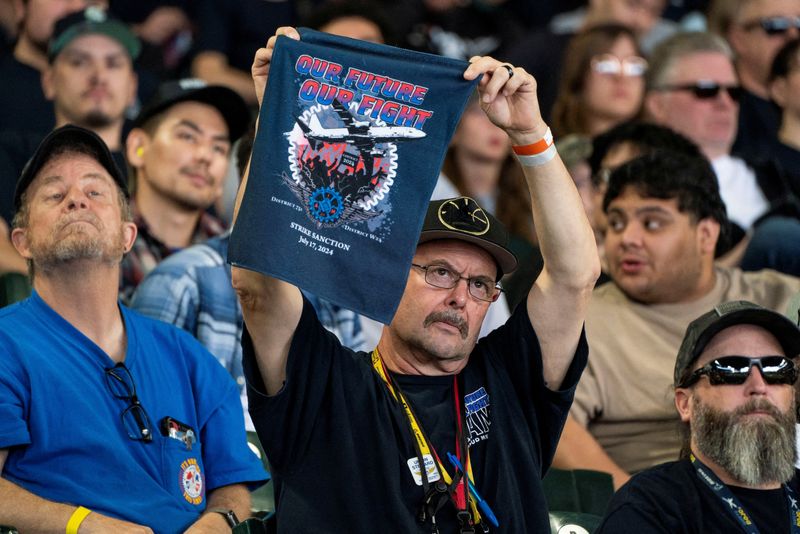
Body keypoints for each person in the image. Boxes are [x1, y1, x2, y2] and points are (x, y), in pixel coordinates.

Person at [231, 26, 600, 532]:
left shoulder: (509, 382)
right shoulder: (327, 385)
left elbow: (574, 277)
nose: (459, 297)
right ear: (387, 272)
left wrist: (529, 136)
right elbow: (257, 283)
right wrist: (277, 114)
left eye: (479, 286)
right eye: (440, 272)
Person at [0, 125, 266, 532]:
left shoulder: (188, 355)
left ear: (128, 236)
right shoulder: (7, 343)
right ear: (23, 242)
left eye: (95, 192)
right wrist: (82, 525)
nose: (76, 200)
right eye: (54, 194)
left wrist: (220, 520)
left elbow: (232, 484)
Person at [553, 150, 800, 489]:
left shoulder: (779, 297)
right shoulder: (582, 320)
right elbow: (558, 432)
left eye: (652, 223)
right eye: (615, 223)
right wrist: (644, 511)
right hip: (658, 499)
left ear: (706, 235)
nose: (627, 239)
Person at [130, 128, 367, 431]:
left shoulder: (336, 298)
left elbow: (352, 421)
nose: (303, 192)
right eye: (288, 175)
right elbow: (142, 419)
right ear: (244, 185)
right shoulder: (180, 279)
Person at [596, 300, 800, 532]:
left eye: (777, 369)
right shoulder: (649, 506)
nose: (759, 386)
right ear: (685, 404)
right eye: (730, 369)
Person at [0, 5, 139, 277]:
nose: (98, 76)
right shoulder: (10, 151)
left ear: (133, 87)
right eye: (79, 61)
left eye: (113, 63)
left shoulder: (150, 166)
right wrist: (76, 294)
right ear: (49, 81)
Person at [642, 31, 800, 238]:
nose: (725, 103)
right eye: (706, 90)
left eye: (734, 92)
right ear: (657, 105)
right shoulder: (636, 179)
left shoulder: (778, 170)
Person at [120, 77, 250, 300]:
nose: (205, 156)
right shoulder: (103, 240)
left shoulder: (238, 259)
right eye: (188, 136)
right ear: (138, 147)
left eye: (219, 148)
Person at [708, 0, 800, 161]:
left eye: (799, 24)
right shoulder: (722, 110)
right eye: (776, 26)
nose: (793, 35)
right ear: (738, 38)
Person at [551, 24, 647, 138]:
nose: (622, 76)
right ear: (579, 76)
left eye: (634, 66)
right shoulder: (544, 151)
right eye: (606, 65)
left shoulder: (657, 152)